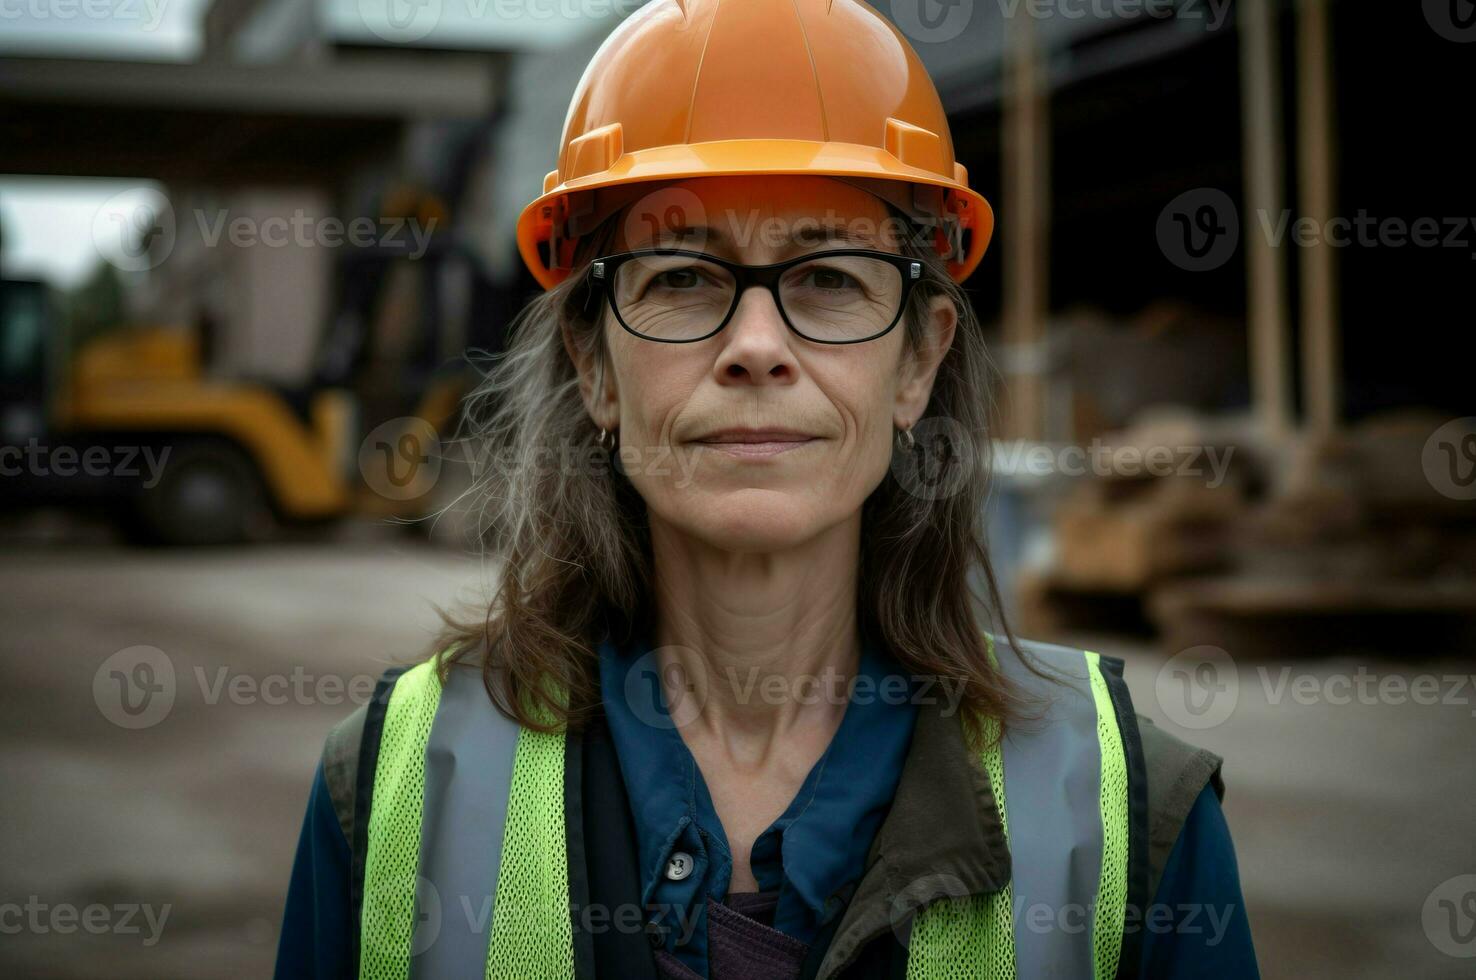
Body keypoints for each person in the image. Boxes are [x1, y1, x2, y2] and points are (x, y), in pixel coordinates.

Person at [275, 0, 1259, 976]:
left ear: (917, 362)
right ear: (594, 363)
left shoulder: (1133, 814)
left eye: (830, 277)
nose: (755, 346)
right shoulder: (392, 792)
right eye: (682, 277)